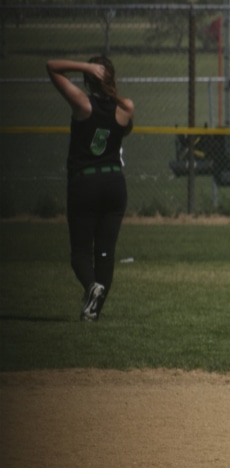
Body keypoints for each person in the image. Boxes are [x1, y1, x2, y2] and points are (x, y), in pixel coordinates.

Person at [46, 56, 134, 321]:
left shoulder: (83, 104)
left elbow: (52, 67)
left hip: (86, 182)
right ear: (113, 78)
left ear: (89, 80)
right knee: (105, 253)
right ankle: (93, 311)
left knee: (80, 254)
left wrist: (85, 67)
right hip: (114, 183)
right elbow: (123, 131)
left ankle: (91, 286)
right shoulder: (126, 107)